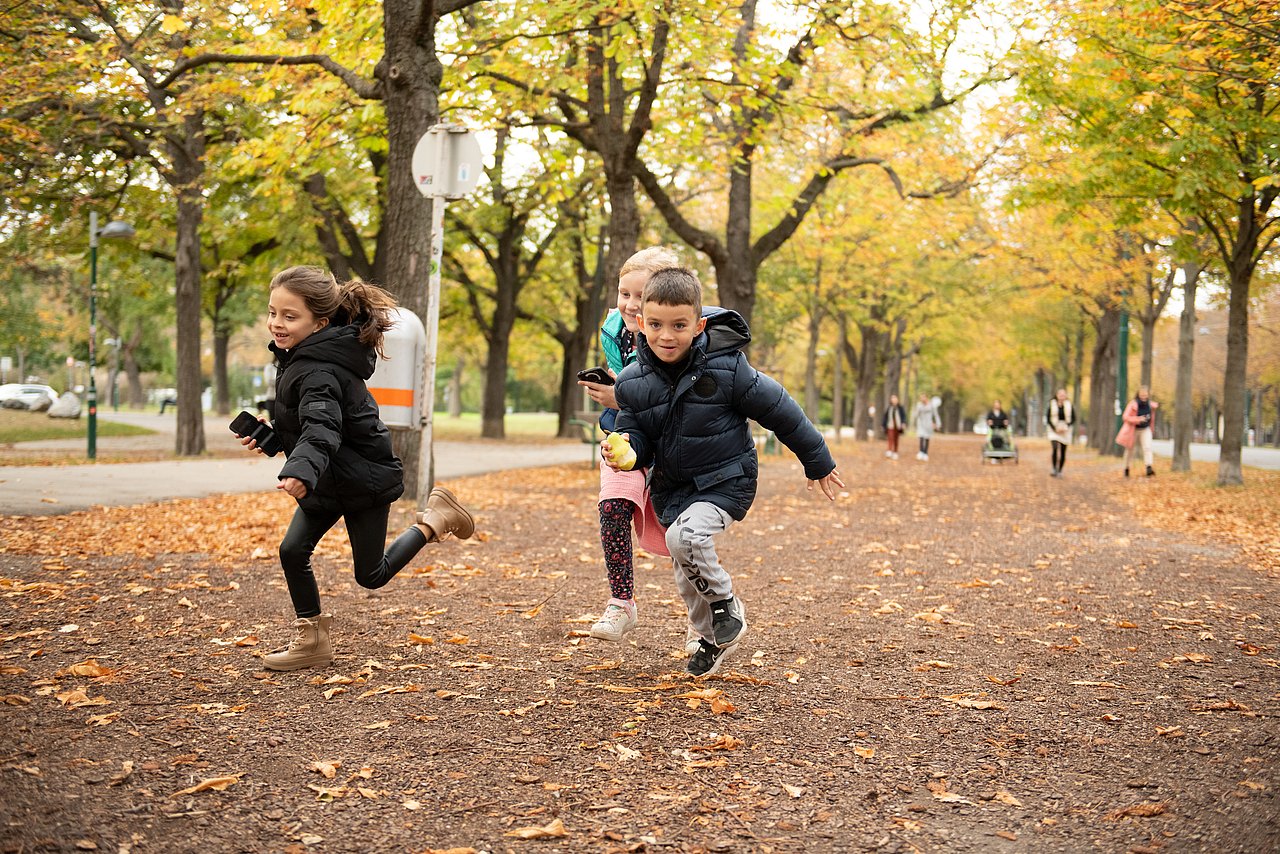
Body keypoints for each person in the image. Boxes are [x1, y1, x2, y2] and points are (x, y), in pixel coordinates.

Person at [604, 267, 844, 677]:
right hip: (673, 487)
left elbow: (780, 411)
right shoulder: (631, 382)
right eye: (657, 325)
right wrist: (627, 449)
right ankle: (710, 638)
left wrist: (817, 459)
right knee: (684, 565)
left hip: (726, 479)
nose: (667, 336)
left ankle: (726, 605)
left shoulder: (728, 368)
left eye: (679, 325)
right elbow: (636, 431)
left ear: (698, 326)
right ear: (641, 324)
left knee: (686, 538)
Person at [237, 266, 475, 671]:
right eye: (273, 312)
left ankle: (434, 520)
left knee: (371, 575)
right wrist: (274, 438)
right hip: (329, 479)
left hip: (362, 481)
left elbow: (323, 428)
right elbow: (311, 427)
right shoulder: (300, 358)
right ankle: (312, 641)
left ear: (321, 322)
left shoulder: (319, 370)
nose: (277, 323)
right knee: (293, 551)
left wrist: (300, 471)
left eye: (289, 316)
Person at [577, 246, 677, 643]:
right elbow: (628, 385)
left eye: (640, 296)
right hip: (626, 436)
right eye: (624, 294)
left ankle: (700, 617)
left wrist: (621, 396)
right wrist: (614, 394)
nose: (630, 305)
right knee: (613, 505)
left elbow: (674, 398)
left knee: (681, 532)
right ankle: (622, 603)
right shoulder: (615, 330)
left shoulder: (679, 338)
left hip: (674, 442)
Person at [1116, 386, 1158, 477]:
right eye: (1141, 394)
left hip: (1145, 429)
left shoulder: (1150, 405)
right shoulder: (1133, 404)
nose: (1143, 396)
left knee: (1147, 447)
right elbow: (1125, 417)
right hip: (1133, 429)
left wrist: (1151, 428)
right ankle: (1126, 468)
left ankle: (1148, 467)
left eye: (1145, 394)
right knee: (1130, 450)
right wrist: (1138, 419)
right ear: (1138, 394)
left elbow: (1152, 418)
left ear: (1148, 395)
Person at [1045, 388, 1075, 477]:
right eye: (1060, 395)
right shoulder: (1052, 404)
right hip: (1054, 429)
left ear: (1066, 396)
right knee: (1054, 447)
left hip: (1065, 429)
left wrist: (1066, 427)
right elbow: (1048, 418)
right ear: (1057, 395)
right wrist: (1055, 428)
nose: (1062, 396)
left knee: (1063, 450)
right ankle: (1054, 468)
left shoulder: (1069, 405)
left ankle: (1060, 470)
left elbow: (1073, 418)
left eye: (1063, 395)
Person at [911, 393, 940, 461]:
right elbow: (915, 415)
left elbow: (936, 415)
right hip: (921, 424)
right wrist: (917, 410)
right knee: (921, 437)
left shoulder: (931, 405)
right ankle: (921, 452)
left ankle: (925, 453)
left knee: (927, 438)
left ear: (926, 398)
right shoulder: (919, 405)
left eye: (924, 397)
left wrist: (938, 424)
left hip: (928, 424)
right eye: (921, 398)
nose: (922, 399)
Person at [882, 393, 906, 460]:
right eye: (893, 399)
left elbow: (903, 416)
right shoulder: (889, 408)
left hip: (898, 426)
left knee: (896, 439)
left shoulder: (900, 408)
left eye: (895, 398)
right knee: (890, 438)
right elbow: (885, 417)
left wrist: (903, 423)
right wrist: (883, 424)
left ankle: (895, 452)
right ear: (891, 400)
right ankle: (889, 450)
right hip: (890, 426)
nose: (894, 400)